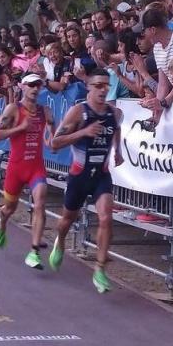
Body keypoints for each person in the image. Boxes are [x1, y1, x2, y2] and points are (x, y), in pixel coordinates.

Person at [50, 69, 125, 293]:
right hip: (79, 175)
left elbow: (116, 129)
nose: (103, 89)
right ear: (89, 88)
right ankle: (60, 240)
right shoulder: (78, 112)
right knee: (66, 220)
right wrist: (83, 133)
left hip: (101, 175)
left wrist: (117, 151)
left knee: (105, 217)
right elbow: (55, 143)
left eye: (106, 85)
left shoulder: (115, 113)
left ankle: (100, 269)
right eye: (98, 85)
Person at [0, 73, 56, 269]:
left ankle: (34, 251)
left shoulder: (44, 110)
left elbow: (53, 132)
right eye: (31, 85)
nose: (35, 89)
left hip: (35, 167)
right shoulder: (13, 109)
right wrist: (20, 128)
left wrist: (52, 139)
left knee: (40, 202)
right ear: (22, 87)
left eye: (38, 85)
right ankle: (2, 224)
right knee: (8, 209)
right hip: (16, 168)